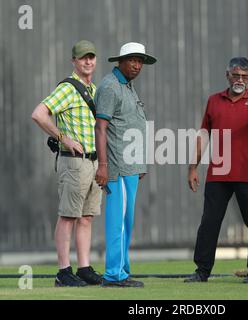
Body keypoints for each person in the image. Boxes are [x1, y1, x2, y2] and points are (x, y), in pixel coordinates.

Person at [185, 57, 248, 284]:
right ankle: (202, 270)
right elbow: (203, 135)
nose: (240, 80)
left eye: (244, 76)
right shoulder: (214, 100)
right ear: (227, 76)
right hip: (219, 172)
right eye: (236, 75)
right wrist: (193, 167)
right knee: (209, 222)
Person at [31, 40, 103, 287]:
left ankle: (83, 268)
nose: (88, 61)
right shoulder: (68, 88)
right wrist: (63, 137)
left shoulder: (93, 89)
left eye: (91, 57)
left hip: (92, 162)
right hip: (74, 163)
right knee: (68, 217)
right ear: (74, 60)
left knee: (86, 217)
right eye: (83, 57)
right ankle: (63, 271)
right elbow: (39, 113)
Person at [94, 42, 156, 288]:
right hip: (116, 167)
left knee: (127, 222)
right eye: (132, 60)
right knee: (117, 221)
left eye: (140, 61)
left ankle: (122, 270)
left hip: (130, 166)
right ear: (120, 61)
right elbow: (101, 127)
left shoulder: (128, 86)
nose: (137, 65)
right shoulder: (110, 86)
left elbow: (129, 124)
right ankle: (112, 275)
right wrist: (102, 165)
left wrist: (139, 163)